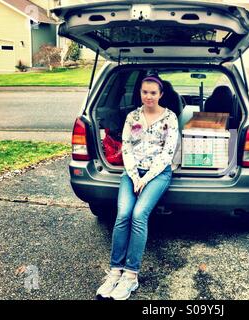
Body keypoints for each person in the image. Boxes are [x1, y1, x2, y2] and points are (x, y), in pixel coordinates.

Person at [96, 75, 179, 300]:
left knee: (139, 214)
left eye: (153, 92)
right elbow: (127, 147)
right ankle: (115, 272)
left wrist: (147, 177)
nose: (148, 96)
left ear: (161, 94)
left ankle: (131, 276)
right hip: (132, 173)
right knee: (123, 214)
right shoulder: (133, 116)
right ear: (140, 93)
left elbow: (168, 153)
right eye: (144, 92)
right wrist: (134, 176)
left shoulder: (170, 117)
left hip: (158, 174)